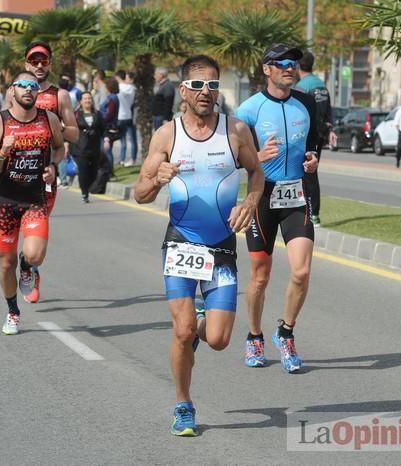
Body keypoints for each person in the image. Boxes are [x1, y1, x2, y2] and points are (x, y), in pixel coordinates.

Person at [135, 55, 263, 436]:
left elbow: (256, 174)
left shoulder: (236, 130)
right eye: (198, 86)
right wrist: (156, 179)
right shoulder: (167, 135)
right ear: (182, 92)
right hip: (181, 244)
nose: (206, 92)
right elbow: (141, 193)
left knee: (220, 339)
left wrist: (250, 203)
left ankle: (198, 325)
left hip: (221, 245)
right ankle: (183, 404)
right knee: (182, 328)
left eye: (212, 85)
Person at [235, 43, 320, 374]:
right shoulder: (248, 110)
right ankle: (254, 335)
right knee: (260, 276)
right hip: (262, 196)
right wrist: (257, 157)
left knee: (301, 272)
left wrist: (313, 161)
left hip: (296, 194)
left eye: (294, 63)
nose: (290, 67)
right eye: (283, 63)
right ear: (266, 69)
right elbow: (234, 158)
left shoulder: (307, 105)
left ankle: (285, 332)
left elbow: (313, 147)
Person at [0, 71, 65, 335]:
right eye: (23, 85)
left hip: (34, 201)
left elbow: (60, 148)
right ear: (12, 90)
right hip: (6, 203)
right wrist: (3, 152)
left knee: (34, 254)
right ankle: (13, 311)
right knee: (6, 264)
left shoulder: (48, 119)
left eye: (33, 85)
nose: (29, 89)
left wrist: (53, 164)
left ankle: (28, 266)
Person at [17, 40, 80, 303]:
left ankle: (29, 264)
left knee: (35, 242)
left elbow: (74, 134)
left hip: (46, 175)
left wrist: (49, 126)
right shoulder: (15, 92)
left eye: (44, 61)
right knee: (19, 230)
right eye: (34, 61)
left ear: (50, 64)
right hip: (17, 175)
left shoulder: (59, 96)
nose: (39, 66)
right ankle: (26, 260)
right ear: (26, 64)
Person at [294, 51, 337, 227]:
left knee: (305, 174)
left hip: (305, 135)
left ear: (297, 66)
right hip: (319, 134)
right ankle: (314, 214)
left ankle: (309, 213)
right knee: (312, 172)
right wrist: (329, 130)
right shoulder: (321, 85)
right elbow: (329, 111)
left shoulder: (301, 87)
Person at [69, 91, 107, 203]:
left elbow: (103, 129)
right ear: (80, 101)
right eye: (85, 99)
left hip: (94, 148)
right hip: (80, 148)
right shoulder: (75, 115)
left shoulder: (98, 114)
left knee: (93, 171)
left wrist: (106, 139)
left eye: (89, 98)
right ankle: (84, 193)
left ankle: (89, 187)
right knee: (83, 170)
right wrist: (66, 144)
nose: (87, 101)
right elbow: (69, 130)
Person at [115, 70, 138, 166]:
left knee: (123, 139)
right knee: (133, 139)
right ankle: (132, 159)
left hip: (120, 116)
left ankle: (122, 159)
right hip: (129, 115)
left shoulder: (119, 87)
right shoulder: (133, 89)